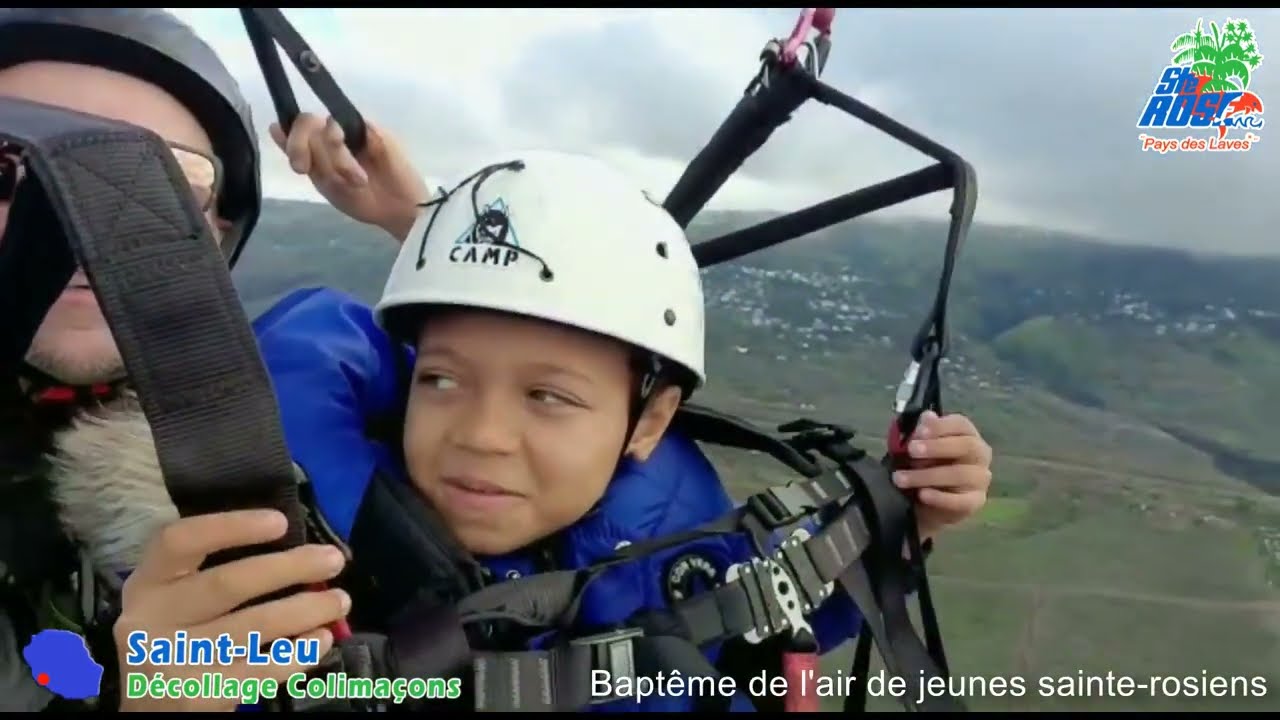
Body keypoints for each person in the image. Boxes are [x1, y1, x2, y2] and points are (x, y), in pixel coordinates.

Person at [200, 116, 993, 711]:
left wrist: (906, 518)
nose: (480, 436)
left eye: (547, 398)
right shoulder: (290, 541)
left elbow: (769, 626)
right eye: (440, 383)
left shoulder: (679, 544)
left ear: (647, 424)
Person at [0, 9, 359, 711]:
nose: (76, 223)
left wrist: (415, 217)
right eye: (8, 170)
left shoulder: (248, 440)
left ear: (217, 234)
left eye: (150, 186)